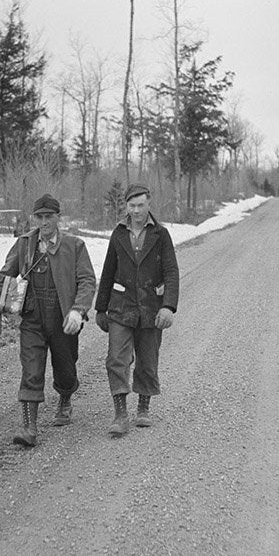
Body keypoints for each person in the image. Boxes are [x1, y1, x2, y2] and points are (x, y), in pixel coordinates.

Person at [0, 193, 97, 447]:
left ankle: (65, 397)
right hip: (32, 318)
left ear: (58, 217)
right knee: (31, 369)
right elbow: (6, 276)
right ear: (33, 218)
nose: (45, 222)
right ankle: (29, 428)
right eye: (40, 217)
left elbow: (87, 281)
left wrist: (77, 310)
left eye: (49, 217)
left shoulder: (74, 246)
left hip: (63, 318)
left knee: (65, 368)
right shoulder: (24, 244)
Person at [94, 183, 179, 436]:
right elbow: (108, 270)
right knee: (116, 359)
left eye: (141, 205)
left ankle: (143, 408)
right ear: (126, 207)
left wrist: (168, 307)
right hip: (121, 306)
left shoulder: (161, 234)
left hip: (152, 307)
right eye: (132, 206)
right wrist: (100, 308)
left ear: (149, 204)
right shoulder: (118, 233)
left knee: (148, 359)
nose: (137, 210)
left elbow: (171, 272)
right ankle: (120, 414)